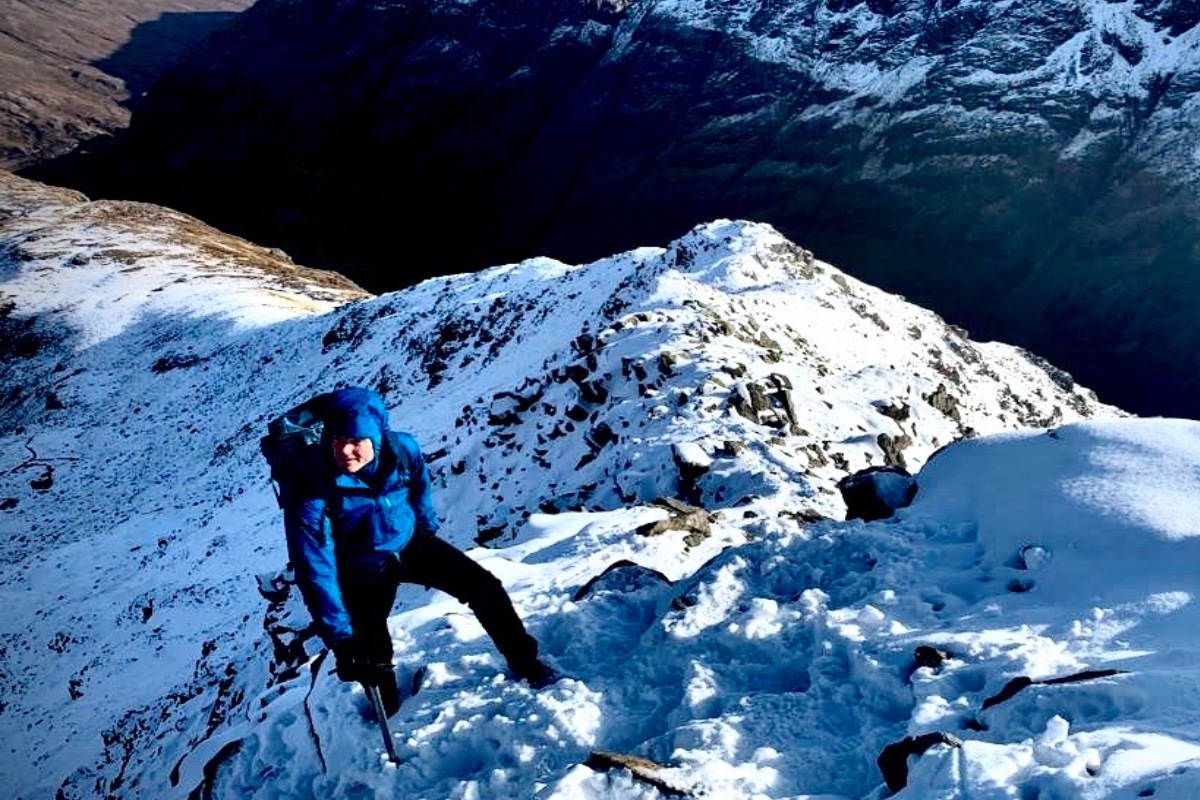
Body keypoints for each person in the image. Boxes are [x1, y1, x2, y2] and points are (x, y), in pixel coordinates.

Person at [281, 386, 557, 715]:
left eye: (356, 441)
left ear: (376, 438)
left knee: (485, 588)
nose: (345, 451)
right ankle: (386, 711)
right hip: (360, 569)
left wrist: (426, 528)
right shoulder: (312, 492)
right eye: (337, 439)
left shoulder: (402, 449)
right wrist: (341, 639)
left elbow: (418, 483)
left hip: (409, 543)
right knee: (371, 652)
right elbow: (315, 568)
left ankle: (527, 663)